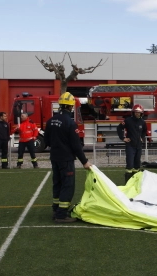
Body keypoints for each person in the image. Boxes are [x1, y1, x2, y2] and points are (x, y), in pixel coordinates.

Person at [44, 92, 92, 223]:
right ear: (71, 107)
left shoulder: (50, 121)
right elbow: (76, 146)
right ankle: (61, 215)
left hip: (55, 158)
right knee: (68, 185)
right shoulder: (70, 124)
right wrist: (85, 161)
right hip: (66, 159)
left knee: (57, 183)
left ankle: (56, 209)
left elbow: (46, 141)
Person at [117, 104, 147, 184]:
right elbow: (119, 128)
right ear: (133, 113)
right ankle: (127, 184)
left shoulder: (143, 122)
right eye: (136, 112)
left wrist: (142, 137)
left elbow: (144, 131)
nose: (137, 114)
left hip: (139, 146)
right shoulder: (128, 120)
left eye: (139, 112)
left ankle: (135, 183)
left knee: (137, 166)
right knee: (130, 166)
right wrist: (123, 138)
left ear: (141, 113)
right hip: (130, 146)